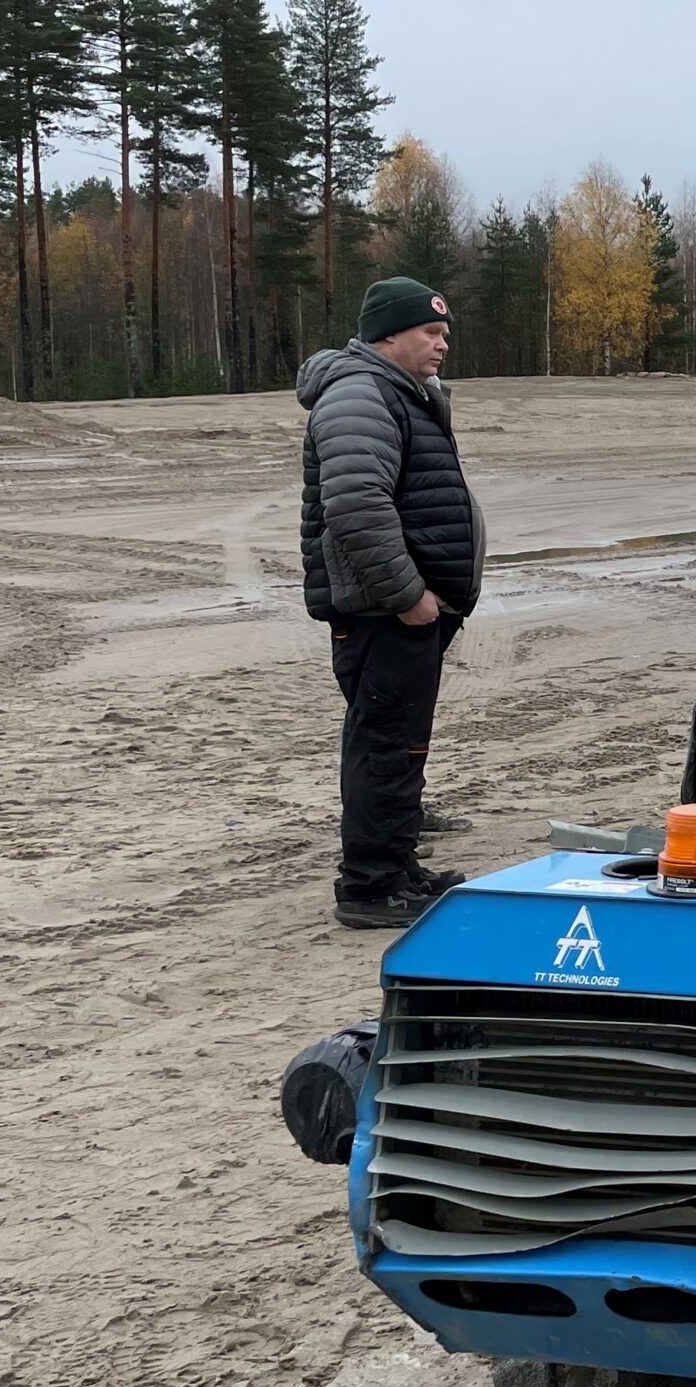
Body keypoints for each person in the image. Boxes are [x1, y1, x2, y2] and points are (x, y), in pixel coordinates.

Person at [298, 276, 483, 931]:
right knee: (385, 746)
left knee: (396, 744)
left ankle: (397, 869)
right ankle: (372, 885)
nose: (442, 344)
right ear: (389, 335)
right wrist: (408, 596)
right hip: (384, 611)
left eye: (444, 333)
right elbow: (355, 506)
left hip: (399, 611)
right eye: (430, 333)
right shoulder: (359, 395)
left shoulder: (398, 393)